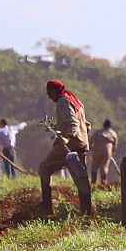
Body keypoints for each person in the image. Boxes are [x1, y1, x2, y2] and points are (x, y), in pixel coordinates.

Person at [37, 79, 92, 214]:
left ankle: (46, 208)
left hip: (68, 146)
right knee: (81, 179)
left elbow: (73, 123)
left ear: (55, 91)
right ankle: (88, 212)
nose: (49, 97)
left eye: (49, 93)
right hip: (80, 145)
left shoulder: (63, 101)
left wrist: (67, 138)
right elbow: (86, 125)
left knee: (44, 168)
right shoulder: (75, 100)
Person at [90, 118, 121, 186]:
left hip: (96, 151)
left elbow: (91, 139)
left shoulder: (98, 132)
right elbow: (115, 145)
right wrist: (113, 152)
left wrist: (90, 146)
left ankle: (93, 183)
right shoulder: (113, 134)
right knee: (104, 167)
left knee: (94, 166)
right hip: (107, 152)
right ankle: (103, 182)